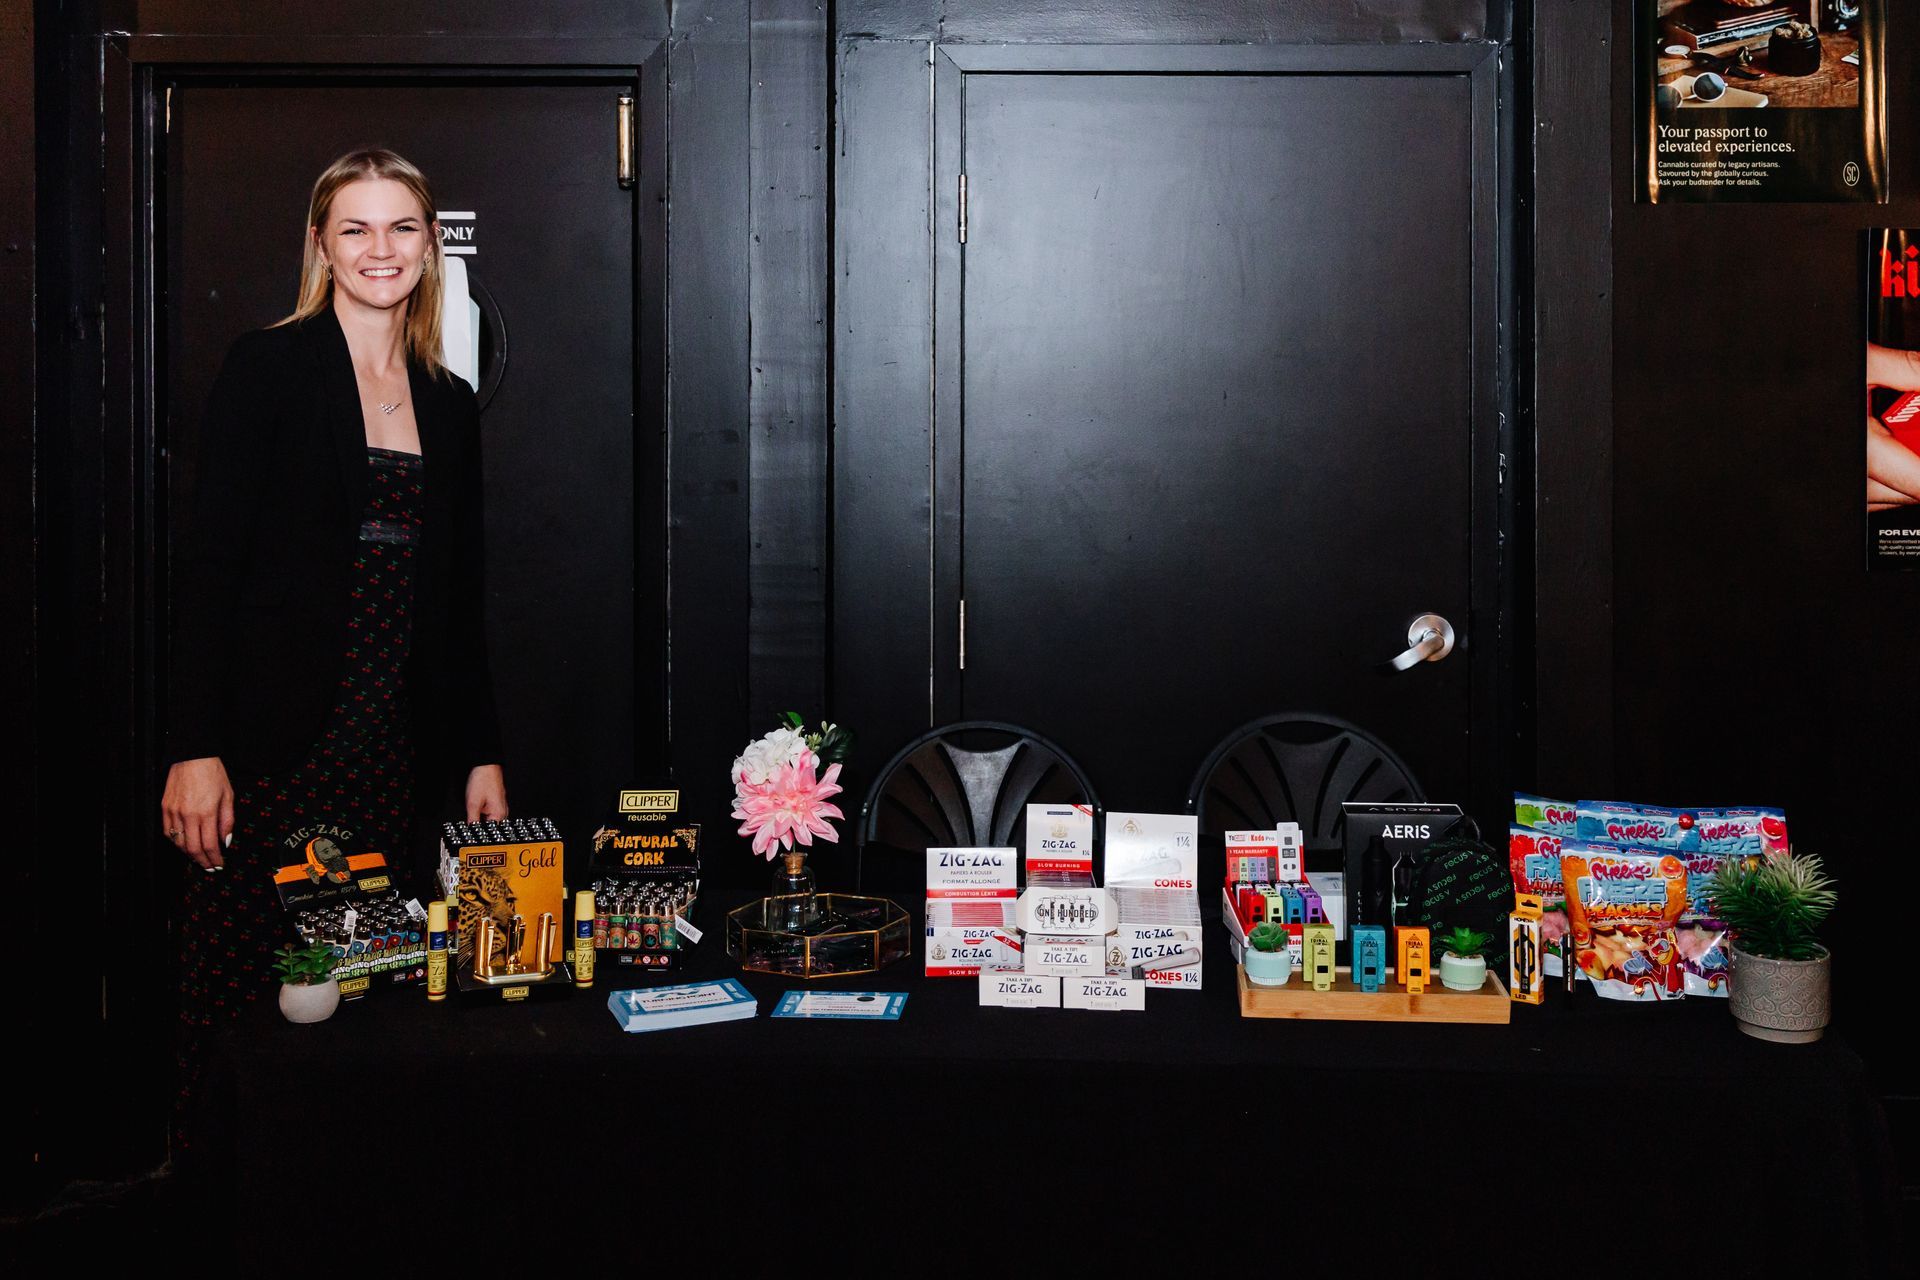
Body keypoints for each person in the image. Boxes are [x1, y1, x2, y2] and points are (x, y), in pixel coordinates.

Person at [162, 149, 506, 1142]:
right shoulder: (267, 367)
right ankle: (219, 1199)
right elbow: (211, 572)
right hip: (267, 753)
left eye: (401, 226)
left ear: (431, 245)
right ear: (320, 244)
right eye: (355, 227)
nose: (379, 248)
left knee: (360, 1007)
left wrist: (479, 753)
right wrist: (195, 747)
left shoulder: (447, 400)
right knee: (244, 999)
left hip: (387, 757)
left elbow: (458, 602)